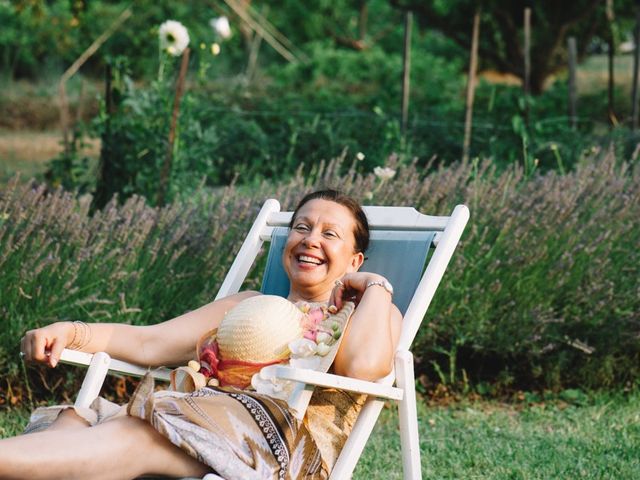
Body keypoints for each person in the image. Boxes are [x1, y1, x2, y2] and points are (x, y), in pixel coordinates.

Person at [0, 189, 402, 480]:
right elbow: (148, 342)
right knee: (75, 421)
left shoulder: (371, 311)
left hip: (280, 449)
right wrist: (69, 331)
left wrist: (374, 286)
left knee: (140, 432)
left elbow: (364, 368)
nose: (310, 239)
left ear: (354, 259)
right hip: (203, 418)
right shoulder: (245, 304)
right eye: (302, 226)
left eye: (330, 234)